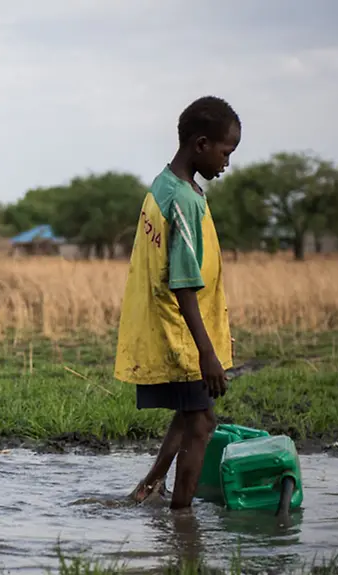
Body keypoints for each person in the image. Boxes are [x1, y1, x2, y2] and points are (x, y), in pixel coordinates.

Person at [114, 95, 240, 511]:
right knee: (202, 421)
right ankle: (182, 522)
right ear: (201, 144)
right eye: (226, 152)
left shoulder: (165, 184)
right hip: (181, 333)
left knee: (190, 413)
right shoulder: (183, 201)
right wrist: (207, 353)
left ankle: (149, 486)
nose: (227, 162)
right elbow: (185, 283)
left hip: (174, 326)